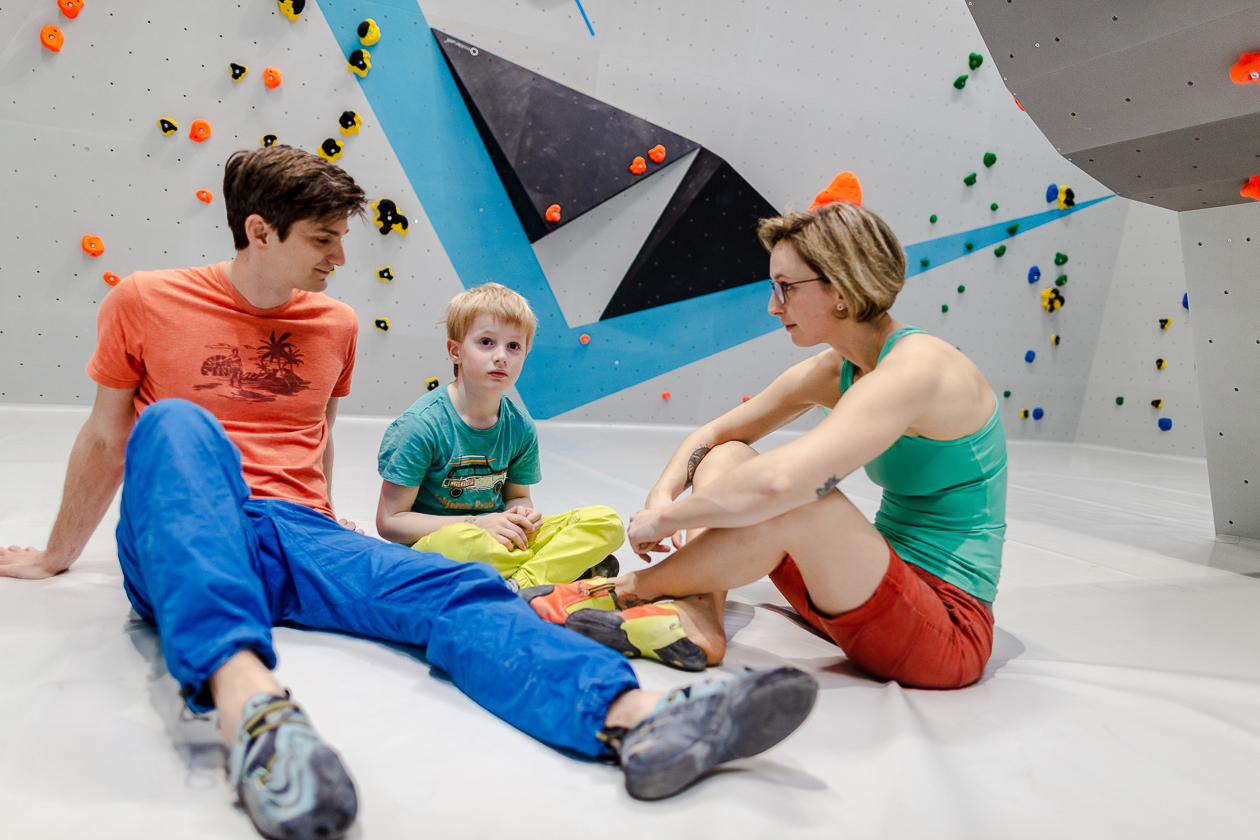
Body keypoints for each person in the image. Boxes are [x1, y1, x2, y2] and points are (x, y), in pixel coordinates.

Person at [0, 146, 819, 838]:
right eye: (322, 239)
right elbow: (111, 436)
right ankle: (254, 714)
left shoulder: (335, 324)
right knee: (177, 424)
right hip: (184, 531)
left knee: (457, 583)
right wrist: (55, 555)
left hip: (297, 532)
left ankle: (638, 725)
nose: (340, 259)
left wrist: (326, 523)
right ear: (259, 231)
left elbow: (313, 432)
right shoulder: (144, 300)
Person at [522, 198, 1006, 689]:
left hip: (942, 630)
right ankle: (699, 620)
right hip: (860, 591)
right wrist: (661, 497)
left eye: (786, 288)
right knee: (729, 457)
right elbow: (714, 437)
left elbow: (785, 483)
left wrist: (670, 521)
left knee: (802, 500)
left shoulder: (917, 368)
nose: (773, 305)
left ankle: (623, 590)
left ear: (840, 290)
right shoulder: (839, 368)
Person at [375, 283, 622, 590]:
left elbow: (517, 496)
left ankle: (520, 583)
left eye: (514, 346)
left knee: (606, 521)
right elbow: (390, 522)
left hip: (499, 540)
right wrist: (478, 524)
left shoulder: (520, 426)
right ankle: (556, 569)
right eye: (487, 342)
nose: (502, 357)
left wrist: (521, 514)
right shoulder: (420, 426)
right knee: (462, 543)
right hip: (441, 545)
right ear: (455, 351)